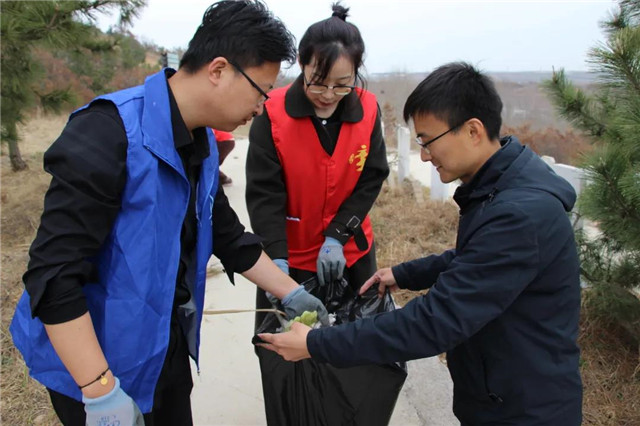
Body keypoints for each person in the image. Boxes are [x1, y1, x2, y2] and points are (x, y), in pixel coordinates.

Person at [9, 1, 328, 425]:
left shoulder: (202, 142)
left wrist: (290, 292)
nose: (260, 108)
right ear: (219, 70)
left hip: (162, 345)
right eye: (260, 91)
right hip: (96, 363)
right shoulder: (108, 132)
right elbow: (53, 276)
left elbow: (226, 234)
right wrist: (100, 390)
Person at [259, 62, 583, 425]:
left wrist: (316, 344)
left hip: (525, 409)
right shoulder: (502, 186)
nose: (425, 155)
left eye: (428, 141)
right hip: (501, 390)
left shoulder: (520, 214)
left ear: (473, 130)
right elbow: (476, 259)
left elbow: (434, 322)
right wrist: (405, 274)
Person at [246, 2, 389, 329]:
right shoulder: (272, 112)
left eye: (342, 84)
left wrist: (338, 235)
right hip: (290, 254)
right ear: (301, 63)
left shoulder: (367, 108)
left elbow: (372, 177)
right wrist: (276, 257)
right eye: (318, 82)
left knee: (356, 338)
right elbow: (264, 193)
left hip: (349, 252)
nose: (329, 94)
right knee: (284, 342)